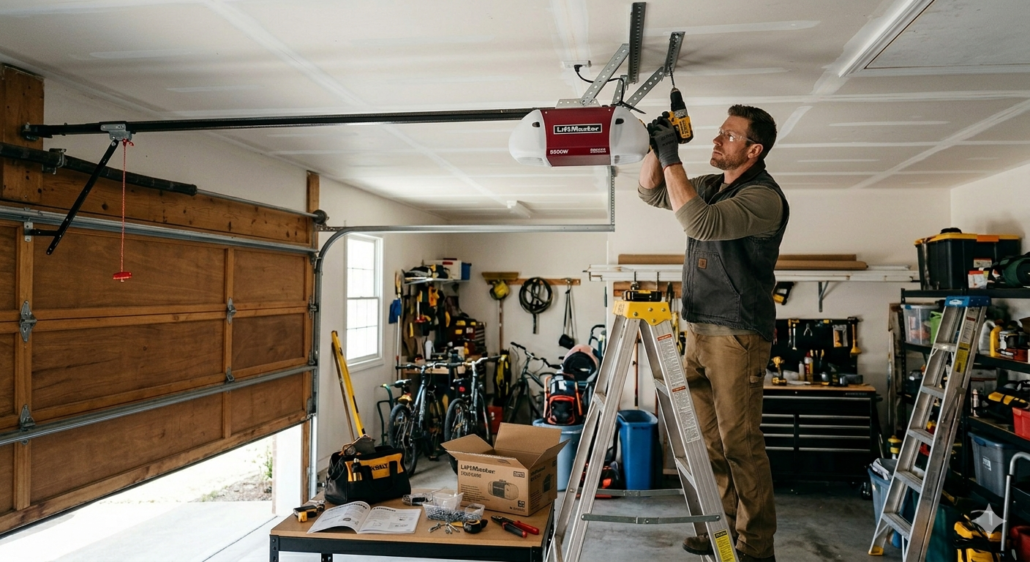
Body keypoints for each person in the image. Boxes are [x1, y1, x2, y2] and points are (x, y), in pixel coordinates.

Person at [637, 105, 788, 562]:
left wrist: (671, 154)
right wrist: (655, 147)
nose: (718, 140)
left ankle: (756, 547)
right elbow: (650, 192)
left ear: (754, 150)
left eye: (730, 135)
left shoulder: (763, 197)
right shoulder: (709, 186)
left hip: (738, 336)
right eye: (720, 131)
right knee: (708, 445)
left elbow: (699, 223)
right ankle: (719, 530)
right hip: (699, 329)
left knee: (740, 445)